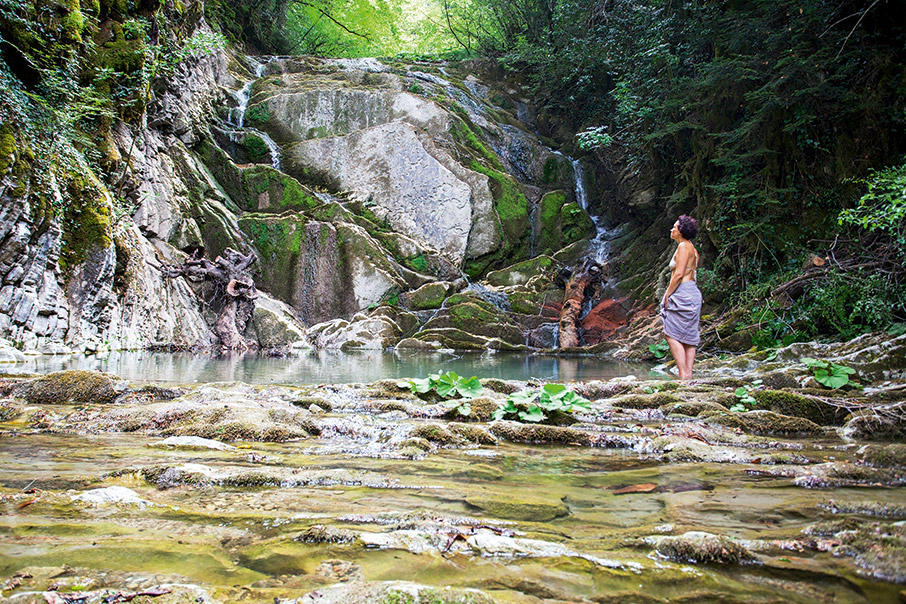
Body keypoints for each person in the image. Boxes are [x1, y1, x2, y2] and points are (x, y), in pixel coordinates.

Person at [660, 215, 702, 380]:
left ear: (681, 231)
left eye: (674, 227)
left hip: (683, 291)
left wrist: (667, 294)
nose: (672, 230)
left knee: (670, 333)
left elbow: (678, 274)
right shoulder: (692, 248)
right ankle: (688, 376)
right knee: (688, 337)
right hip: (691, 291)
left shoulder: (684, 246)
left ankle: (683, 374)